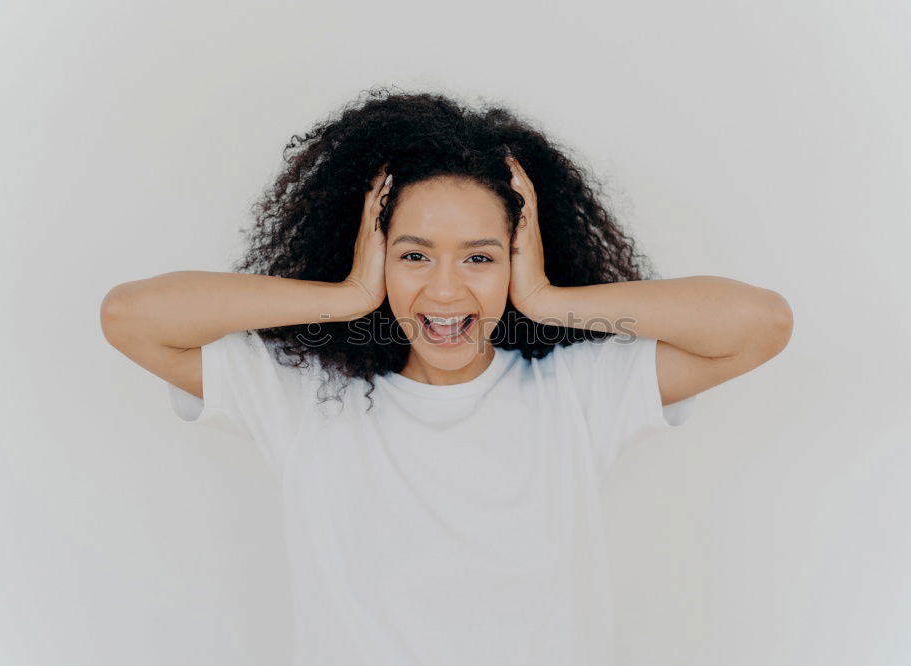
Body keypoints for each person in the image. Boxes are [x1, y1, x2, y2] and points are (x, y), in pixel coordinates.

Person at [100, 87, 792, 666]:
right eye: (413, 255)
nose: (445, 291)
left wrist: (549, 300)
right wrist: (343, 296)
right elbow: (131, 316)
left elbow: (759, 324)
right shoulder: (302, 394)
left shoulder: (577, 392)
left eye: (480, 259)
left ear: (518, 263)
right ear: (372, 256)